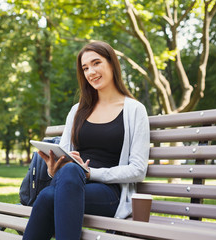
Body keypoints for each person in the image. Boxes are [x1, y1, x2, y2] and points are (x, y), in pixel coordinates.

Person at [23, 41, 150, 240]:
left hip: (109, 194)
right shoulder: (77, 111)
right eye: (85, 68)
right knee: (61, 181)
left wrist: (90, 173)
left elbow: (138, 169)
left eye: (96, 63)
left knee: (53, 191)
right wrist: (53, 167)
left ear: (112, 63)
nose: (90, 72)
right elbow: (63, 153)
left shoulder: (134, 110)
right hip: (68, 183)